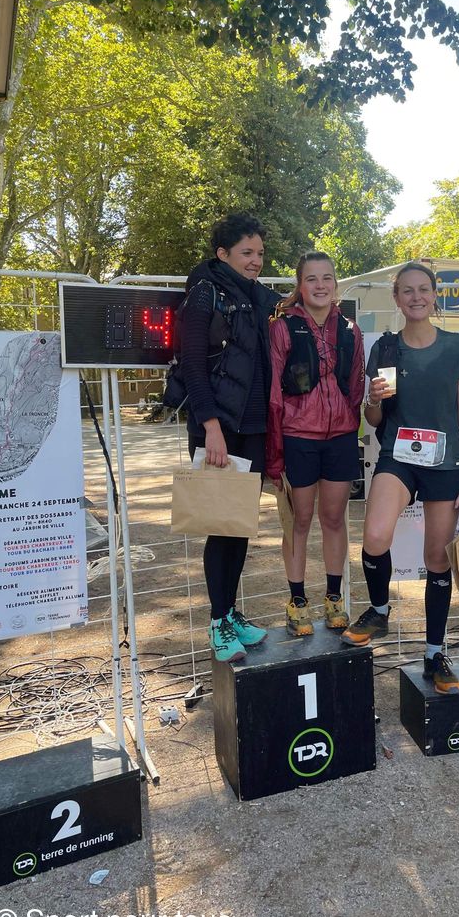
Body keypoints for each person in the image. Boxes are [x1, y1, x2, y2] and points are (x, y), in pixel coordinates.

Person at [341, 262, 459, 694]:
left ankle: (434, 653)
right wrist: (372, 399)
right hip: (398, 458)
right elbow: (373, 419)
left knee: (437, 559)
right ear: (397, 297)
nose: (416, 297)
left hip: (445, 464)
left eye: (424, 289)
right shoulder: (385, 349)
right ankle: (379, 610)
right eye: (407, 290)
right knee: (374, 535)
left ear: (435, 294)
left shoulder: (456, 346)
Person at [181, 212, 281, 662]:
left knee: (238, 528)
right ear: (222, 254)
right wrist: (211, 429)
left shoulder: (258, 297)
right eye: (246, 252)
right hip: (219, 430)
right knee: (221, 529)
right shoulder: (205, 293)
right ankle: (218, 621)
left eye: (260, 253)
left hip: (253, 428)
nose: (255, 260)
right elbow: (192, 365)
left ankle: (230, 613)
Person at [266, 252, 365, 636]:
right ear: (300, 285)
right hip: (298, 437)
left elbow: (355, 386)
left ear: (336, 283)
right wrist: (275, 454)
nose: (320, 285)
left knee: (335, 518)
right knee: (300, 520)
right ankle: (297, 601)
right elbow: (274, 394)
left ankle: (334, 597)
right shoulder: (283, 328)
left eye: (327, 278)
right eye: (312, 278)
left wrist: (347, 423)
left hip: (340, 438)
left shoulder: (351, 330)